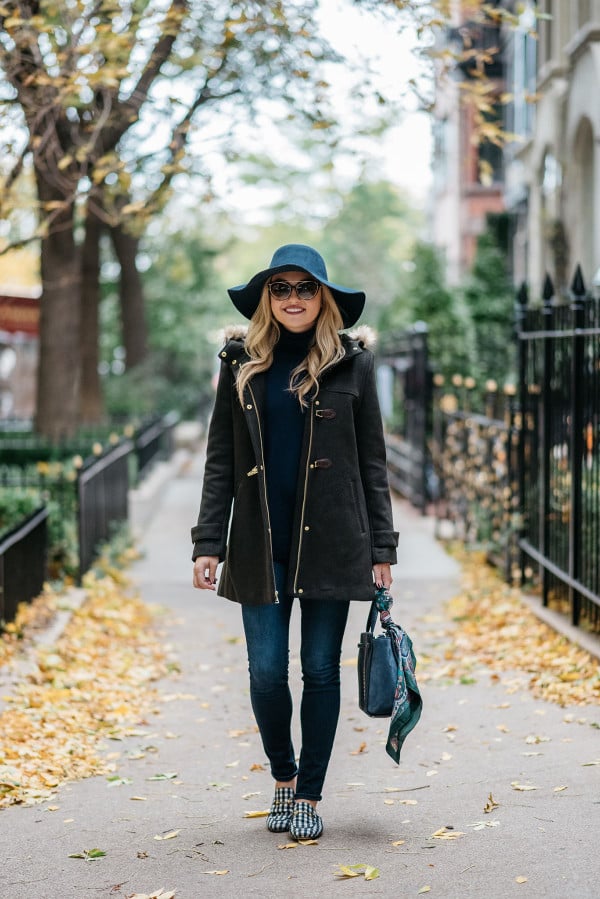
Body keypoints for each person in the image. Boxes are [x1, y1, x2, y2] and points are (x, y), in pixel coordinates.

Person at [191, 244, 398, 840]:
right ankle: (282, 778)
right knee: (264, 673)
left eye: (305, 288)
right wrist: (210, 540)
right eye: (280, 288)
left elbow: (373, 463)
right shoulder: (240, 362)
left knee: (321, 672)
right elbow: (220, 459)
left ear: (324, 297)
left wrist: (382, 548)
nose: (293, 298)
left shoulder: (353, 364)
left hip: (334, 541)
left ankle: (308, 794)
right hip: (260, 542)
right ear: (266, 298)